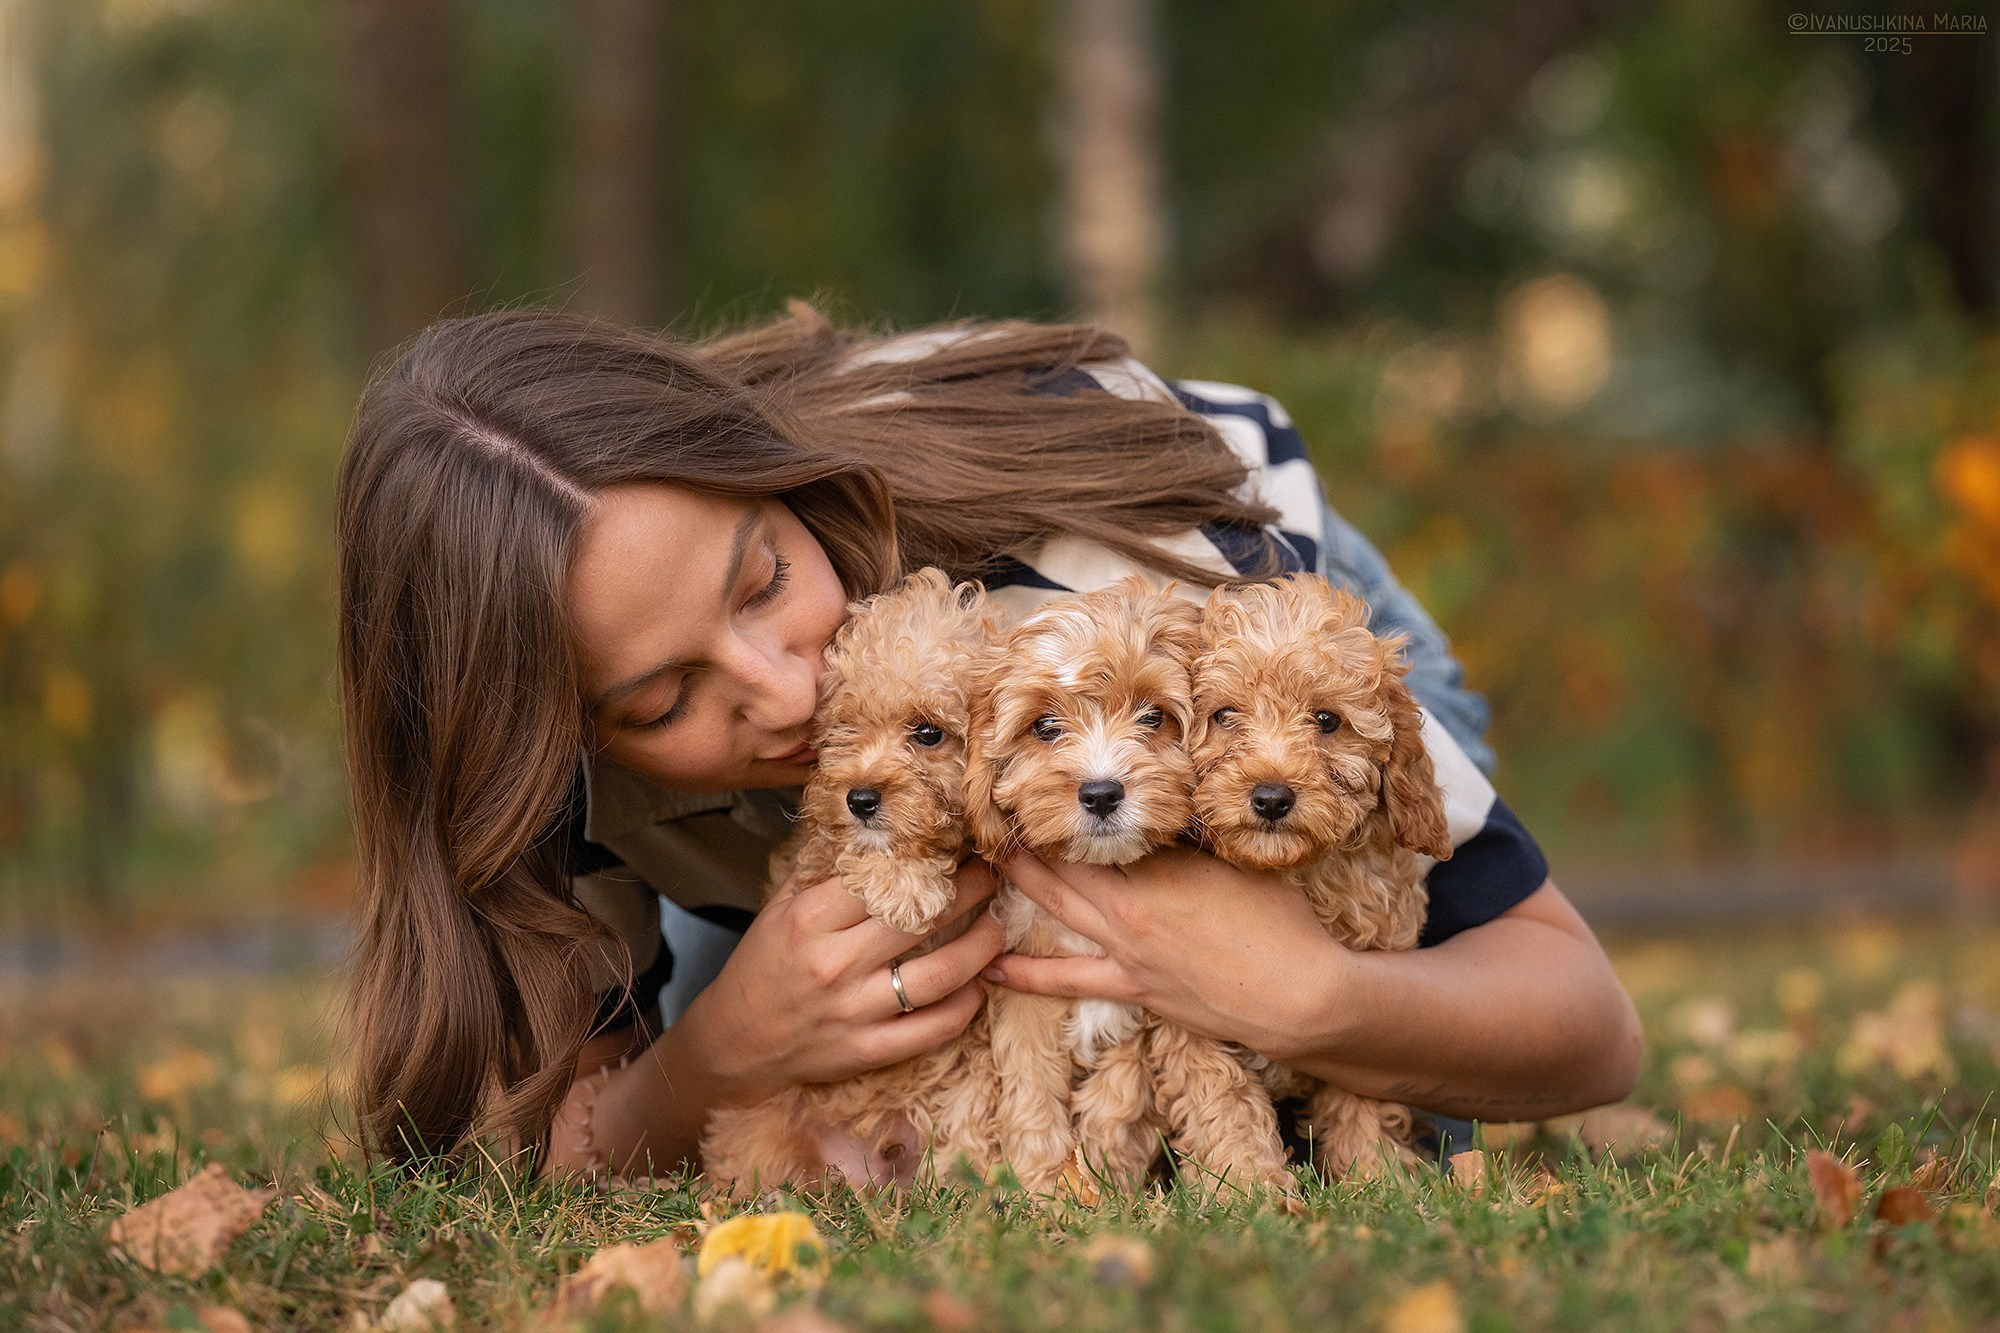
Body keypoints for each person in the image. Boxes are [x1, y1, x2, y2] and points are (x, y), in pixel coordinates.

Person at [335, 303, 1642, 1178]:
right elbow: (558, 1140)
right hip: (815, 832)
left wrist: (1314, 995)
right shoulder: (550, 739)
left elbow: (1588, 1025)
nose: (782, 691)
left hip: (1250, 603)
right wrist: (711, 1058)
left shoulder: (1117, 579)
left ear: (785, 484)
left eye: (762, 579)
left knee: (1305, 1082)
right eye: (666, 701)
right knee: (816, 1082)